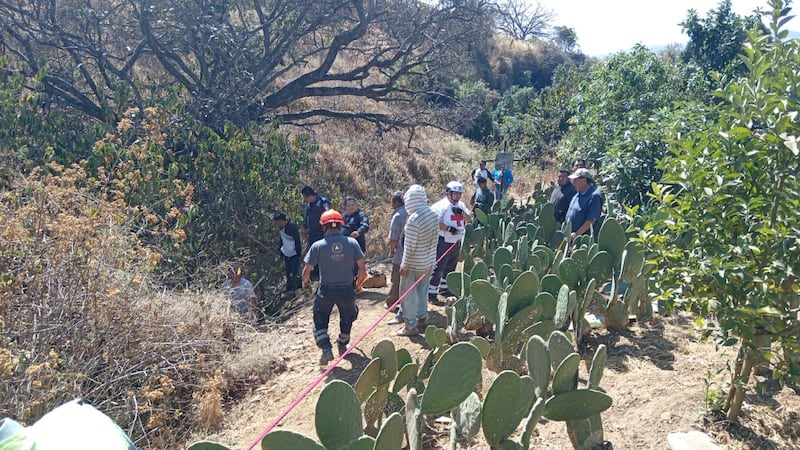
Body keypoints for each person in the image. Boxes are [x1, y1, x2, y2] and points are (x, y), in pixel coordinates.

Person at [302, 209, 367, 365]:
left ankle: (326, 349)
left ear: (324, 227)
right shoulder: (352, 243)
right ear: (340, 225)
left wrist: (305, 284)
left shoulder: (317, 246)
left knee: (320, 319)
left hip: (326, 290)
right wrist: (358, 286)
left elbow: (306, 271)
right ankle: (343, 342)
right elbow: (363, 271)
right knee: (348, 316)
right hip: (347, 289)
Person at [388, 184, 439, 337]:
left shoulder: (413, 219)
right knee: (422, 292)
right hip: (428, 263)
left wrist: (404, 266)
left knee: (408, 295)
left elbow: (409, 247)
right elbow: (435, 241)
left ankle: (410, 326)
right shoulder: (433, 214)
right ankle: (422, 318)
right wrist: (432, 262)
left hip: (413, 264)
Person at [428, 181, 471, 301]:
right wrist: (448, 229)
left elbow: (469, 219)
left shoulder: (461, 205)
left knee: (451, 266)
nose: (458, 196)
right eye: (455, 193)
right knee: (438, 267)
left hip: (456, 241)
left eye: (459, 194)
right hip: (443, 240)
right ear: (448, 193)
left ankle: (445, 289)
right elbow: (433, 221)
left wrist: (462, 213)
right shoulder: (441, 206)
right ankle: (431, 293)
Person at [301, 185, 331, 279]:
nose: (305, 200)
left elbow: (328, 216)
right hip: (312, 233)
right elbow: (307, 217)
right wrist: (305, 228)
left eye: (305, 197)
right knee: (314, 252)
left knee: (322, 252)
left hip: (321, 233)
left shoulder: (323, 202)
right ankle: (316, 271)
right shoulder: (309, 204)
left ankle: (323, 271)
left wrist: (327, 230)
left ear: (309, 196)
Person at [565, 168, 603, 239]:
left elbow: (591, 220)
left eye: (575, 180)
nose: (573, 182)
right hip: (569, 235)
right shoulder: (578, 193)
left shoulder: (594, 196)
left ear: (584, 180)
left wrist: (577, 234)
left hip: (581, 238)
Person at [385, 191, 407, 310]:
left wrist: (391, 251)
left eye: (392, 202)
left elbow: (394, 238)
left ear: (396, 202)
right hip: (414, 254)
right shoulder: (411, 211)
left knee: (396, 279)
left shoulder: (398, 215)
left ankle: (392, 303)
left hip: (400, 254)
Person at [273, 212, 302, 292]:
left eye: (278, 222)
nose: (277, 224)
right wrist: (281, 252)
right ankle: (289, 285)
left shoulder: (292, 227)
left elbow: (297, 241)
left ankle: (297, 286)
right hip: (286, 253)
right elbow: (282, 240)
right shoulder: (281, 229)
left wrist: (298, 253)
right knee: (288, 271)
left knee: (294, 271)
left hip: (294, 253)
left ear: (282, 220)